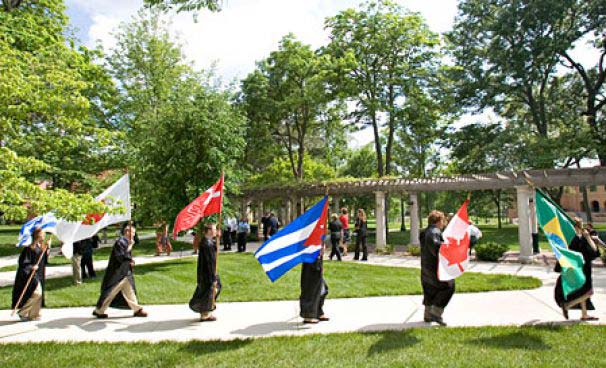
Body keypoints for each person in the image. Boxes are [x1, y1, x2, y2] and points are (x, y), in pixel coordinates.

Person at [93, 224, 148, 319]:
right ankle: (99, 311)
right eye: (132, 233)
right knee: (111, 291)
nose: (134, 235)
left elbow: (127, 257)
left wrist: (130, 260)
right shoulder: (120, 242)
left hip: (126, 272)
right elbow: (120, 256)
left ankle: (137, 309)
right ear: (127, 232)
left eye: (134, 233)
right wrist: (130, 247)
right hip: (117, 273)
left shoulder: (127, 242)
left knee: (130, 291)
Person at [555, 218, 600, 321]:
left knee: (583, 293)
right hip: (583, 272)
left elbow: (594, 252)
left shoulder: (577, 241)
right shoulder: (580, 242)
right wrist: (588, 237)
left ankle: (584, 314)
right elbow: (595, 252)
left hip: (581, 271)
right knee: (588, 292)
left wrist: (585, 234)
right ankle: (567, 305)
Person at [420, 210, 453, 326]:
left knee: (429, 290)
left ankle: (428, 314)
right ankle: (436, 312)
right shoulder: (434, 232)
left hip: (425, 267)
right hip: (435, 268)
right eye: (443, 220)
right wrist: (448, 246)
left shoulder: (424, 232)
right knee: (449, 286)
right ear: (439, 221)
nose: (443, 223)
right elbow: (436, 246)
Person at [12, 227, 50, 321]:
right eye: (43, 234)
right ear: (38, 235)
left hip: (39, 274)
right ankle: (22, 312)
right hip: (32, 275)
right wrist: (31, 267)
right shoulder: (29, 248)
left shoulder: (40, 246)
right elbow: (23, 263)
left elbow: (43, 260)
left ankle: (34, 315)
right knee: (37, 293)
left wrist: (47, 248)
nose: (44, 235)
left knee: (39, 295)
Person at [190, 223, 222, 322]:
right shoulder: (206, 243)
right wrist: (213, 277)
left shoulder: (207, 242)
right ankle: (205, 313)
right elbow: (210, 261)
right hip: (208, 273)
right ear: (208, 231)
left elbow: (215, 252)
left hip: (207, 273)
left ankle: (206, 312)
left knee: (209, 292)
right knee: (209, 292)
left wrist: (217, 239)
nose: (216, 230)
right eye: (214, 229)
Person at [299, 249, 329, 324]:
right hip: (311, 257)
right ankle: (308, 315)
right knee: (311, 288)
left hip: (316, 257)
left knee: (323, 289)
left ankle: (318, 311)